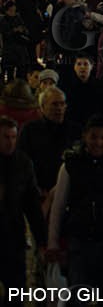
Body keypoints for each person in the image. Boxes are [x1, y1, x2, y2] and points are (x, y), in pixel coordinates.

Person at [45, 115, 103, 287]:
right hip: (80, 240)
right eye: (93, 137)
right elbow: (58, 205)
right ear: (84, 137)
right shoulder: (70, 164)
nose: (98, 143)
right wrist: (53, 242)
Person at [0, 116, 45, 288]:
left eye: (13, 137)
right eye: (5, 137)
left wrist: (41, 239)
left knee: (16, 289)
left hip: (13, 235)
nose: (10, 142)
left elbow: (32, 204)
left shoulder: (23, 163)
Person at [20, 87, 75, 194]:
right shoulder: (30, 130)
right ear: (42, 107)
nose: (59, 108)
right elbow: (24, 162)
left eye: (62, 104)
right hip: (39, 190)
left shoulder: (74, 130)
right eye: (54, 104)